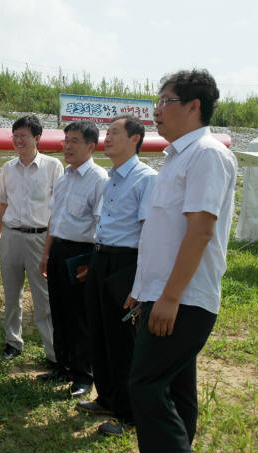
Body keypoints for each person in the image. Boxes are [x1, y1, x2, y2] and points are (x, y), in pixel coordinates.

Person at [125, 69, 237, 453]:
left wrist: (169, 298)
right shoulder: (177, 158)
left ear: (193, 107)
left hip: (183, 298)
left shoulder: (207, 155)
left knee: (145, 386)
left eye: (165, 101)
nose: (156, 111)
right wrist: (142, 289)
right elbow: (163, 234)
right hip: (164, 294)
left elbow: (200, 232)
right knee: (174, 389)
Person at [77, 115, 157, 434]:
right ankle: (106, 397)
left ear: (135, 139)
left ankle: (128, 414)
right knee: (99, 333)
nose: (106, 138)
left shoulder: (146, 179)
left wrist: (139, 285)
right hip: (101, 260)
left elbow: (148, 235)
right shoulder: (111, 177)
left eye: (114, 133)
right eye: (106, 133)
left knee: (123, 341)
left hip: (126, 263)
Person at [36, 120, 108, 398]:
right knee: (60, 310)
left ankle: (83, 375)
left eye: (74, 141)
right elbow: (55, 219)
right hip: (58, 251)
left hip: (82, 252)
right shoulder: (64, 177)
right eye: (66, 140)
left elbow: (102, 225)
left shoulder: (99, 180)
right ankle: (62, 366)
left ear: (91, 146)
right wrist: (46, 254)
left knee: (80, 316)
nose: (67, 146)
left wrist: (92, 263)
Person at [0, 115, 63, 363]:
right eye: (15, 135)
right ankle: (13, 342)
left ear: (37, 138)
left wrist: (49, 248)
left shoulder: (53, 167)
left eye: (23, 135)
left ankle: (53, 352)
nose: (18, 140)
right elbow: (2, 203)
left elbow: (57, 210)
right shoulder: (8, 169)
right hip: (11, 235)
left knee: (43, 298)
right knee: (12, 295)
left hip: (39, 238)